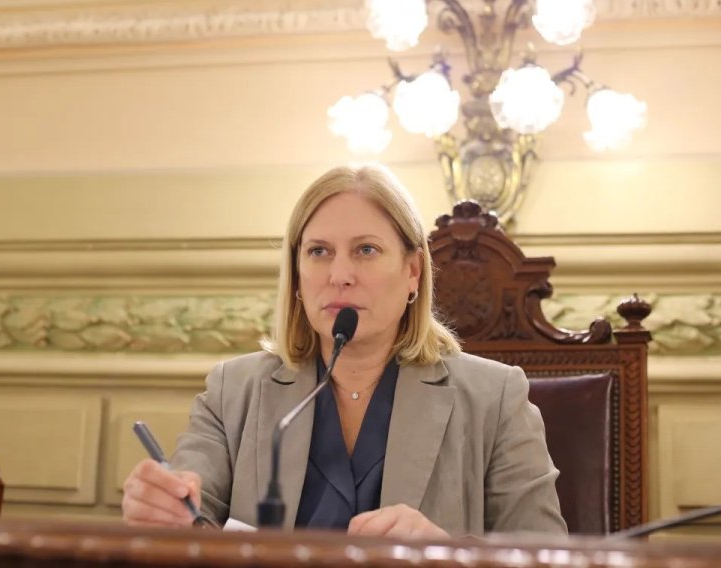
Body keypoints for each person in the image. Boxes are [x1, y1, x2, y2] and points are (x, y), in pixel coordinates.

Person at [122, 165, 566, 538]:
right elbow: (190, 510)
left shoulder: (496, 396)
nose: (339, 275)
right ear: (296, 276)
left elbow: (547, 556)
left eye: (366, 250)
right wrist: (164, 510)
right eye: (318, 252)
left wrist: (447, 555)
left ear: (413, 271)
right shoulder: (232, 391)